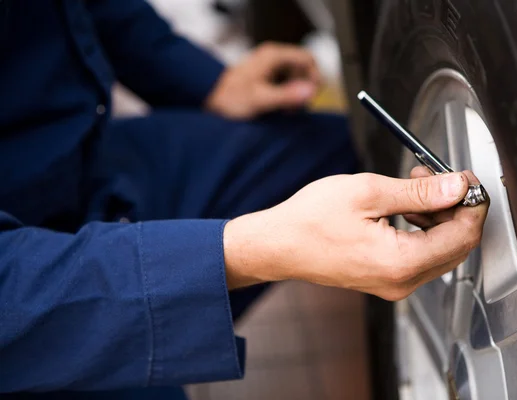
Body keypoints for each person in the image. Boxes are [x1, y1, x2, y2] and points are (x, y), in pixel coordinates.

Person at [0, 1, 489, 399]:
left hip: (94, 163)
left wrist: (208, 82)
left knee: (337, 150)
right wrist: (261, 249)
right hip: (27, 299)